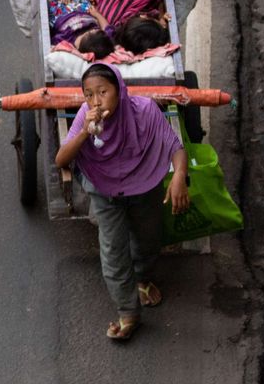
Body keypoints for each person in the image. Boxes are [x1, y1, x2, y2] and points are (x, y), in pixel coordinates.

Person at [54, 64, 189, 341]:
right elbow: (61, 159)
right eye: (89, 95)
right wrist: (84, 133)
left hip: (145, 185)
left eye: (103, 92)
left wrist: (179, 177)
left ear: (119, 90)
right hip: (105, 191)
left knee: (149, 236)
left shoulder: (145, 111)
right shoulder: (84, 117)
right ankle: (128, 312)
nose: (96, 101)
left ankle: (141, 278)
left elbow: (174, 146)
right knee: (113, 250)